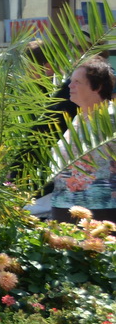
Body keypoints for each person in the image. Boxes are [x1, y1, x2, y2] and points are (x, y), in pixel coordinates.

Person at [54, 58, 116, 222]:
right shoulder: (78, 118)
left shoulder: (111, 118)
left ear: (97, 87)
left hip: (102, 212)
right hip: (64, 207)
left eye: (77, 82)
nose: (70, 86)